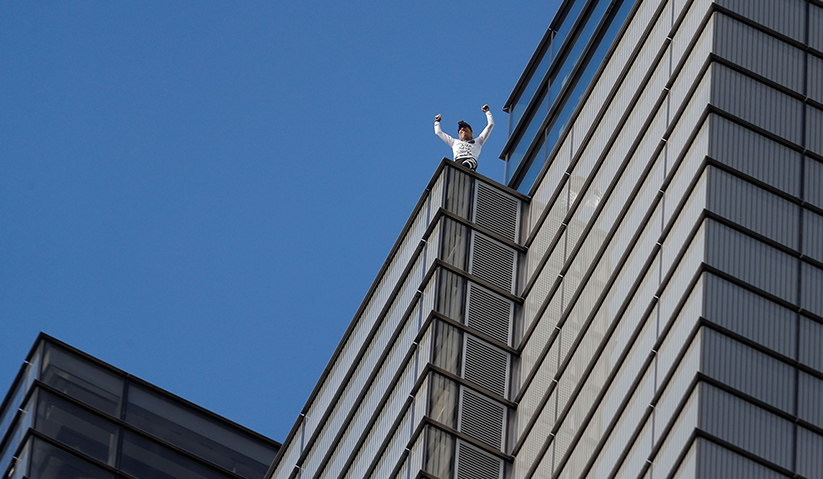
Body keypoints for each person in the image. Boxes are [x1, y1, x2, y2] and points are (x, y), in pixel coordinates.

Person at [434, 104, 494, 170]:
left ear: (471, 132)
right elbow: (438, 132)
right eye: (461, 130)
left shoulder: (478, 141)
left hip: (470, 161)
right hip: (457, 162)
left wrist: (487, 112)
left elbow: (490, 125)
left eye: (465, 129)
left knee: (472, 162)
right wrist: (437, 122)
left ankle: (465, 169)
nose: (463, 130)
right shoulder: (454, 142)